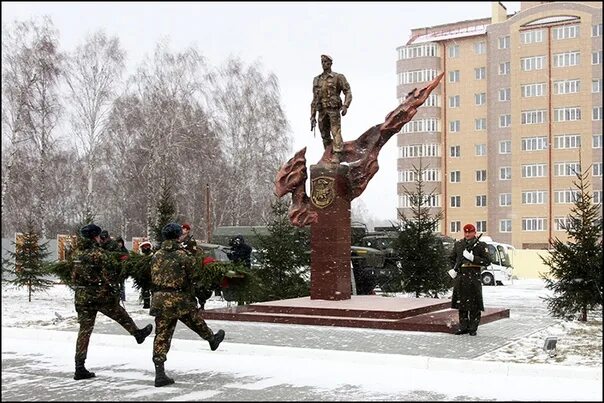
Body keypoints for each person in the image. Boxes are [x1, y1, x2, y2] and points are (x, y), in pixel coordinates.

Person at [71, 224, 153, 380]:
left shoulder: (78, 254)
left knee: (84, 331)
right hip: (100, 296)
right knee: (120, 314)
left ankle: (79, 367)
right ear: (95, 237)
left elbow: (74, 276)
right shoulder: (99, 254)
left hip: (82, 297)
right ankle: (137, 334)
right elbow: (111, 273)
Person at [150, 222, 225, 387]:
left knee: (161, 335)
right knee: (196, 322)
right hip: (180, 299)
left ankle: (159, 373)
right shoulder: (183, 256)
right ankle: (212, 339)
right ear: (178, 236)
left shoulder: (156, 255)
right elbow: (195, 277)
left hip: (160, 299)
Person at [449, 223, 491, 336]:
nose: (467, 234)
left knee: (474, 305)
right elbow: (452, 258)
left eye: (470, 232)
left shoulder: (481, 245)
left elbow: (487, 261)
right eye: (465, 232)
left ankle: (473, 328)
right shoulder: (459, 244)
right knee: (462, 304)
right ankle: (463, 327)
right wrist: (452, 269)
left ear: (474, 232)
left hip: (473, 277)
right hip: (461, 277)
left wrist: (473, 258)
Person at [310, 54, 352, 163]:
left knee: (335, 131)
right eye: (322, 62)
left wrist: (345, 106)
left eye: (326, 62)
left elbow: (347, 91)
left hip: (333, 110)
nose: (324, 64)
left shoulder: (338, 77)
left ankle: (337, 154)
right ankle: (328, 152)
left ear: (330, 63)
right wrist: (312, 116)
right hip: (322, 110)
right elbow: (314, 99)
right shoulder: (317, 80)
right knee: (324, 134)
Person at [139, 241, 154, 309]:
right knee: (145, 290)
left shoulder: (153, 256)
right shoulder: (140, 257)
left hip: (152, 276)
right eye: (144, 247)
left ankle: (154, 303)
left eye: (147, 246)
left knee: (153, 290)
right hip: (144, 277)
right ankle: (146, 304)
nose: (146, 248)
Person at [115, 237, 128, 302]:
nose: (119, 244)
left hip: (122, 269)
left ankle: (122, 297)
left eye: (120, 242)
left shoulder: (124, 250)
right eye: (118, 243)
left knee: (122, 284)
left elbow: (127, 257)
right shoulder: (115, 250)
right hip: (115, 270)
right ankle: (117, 296)